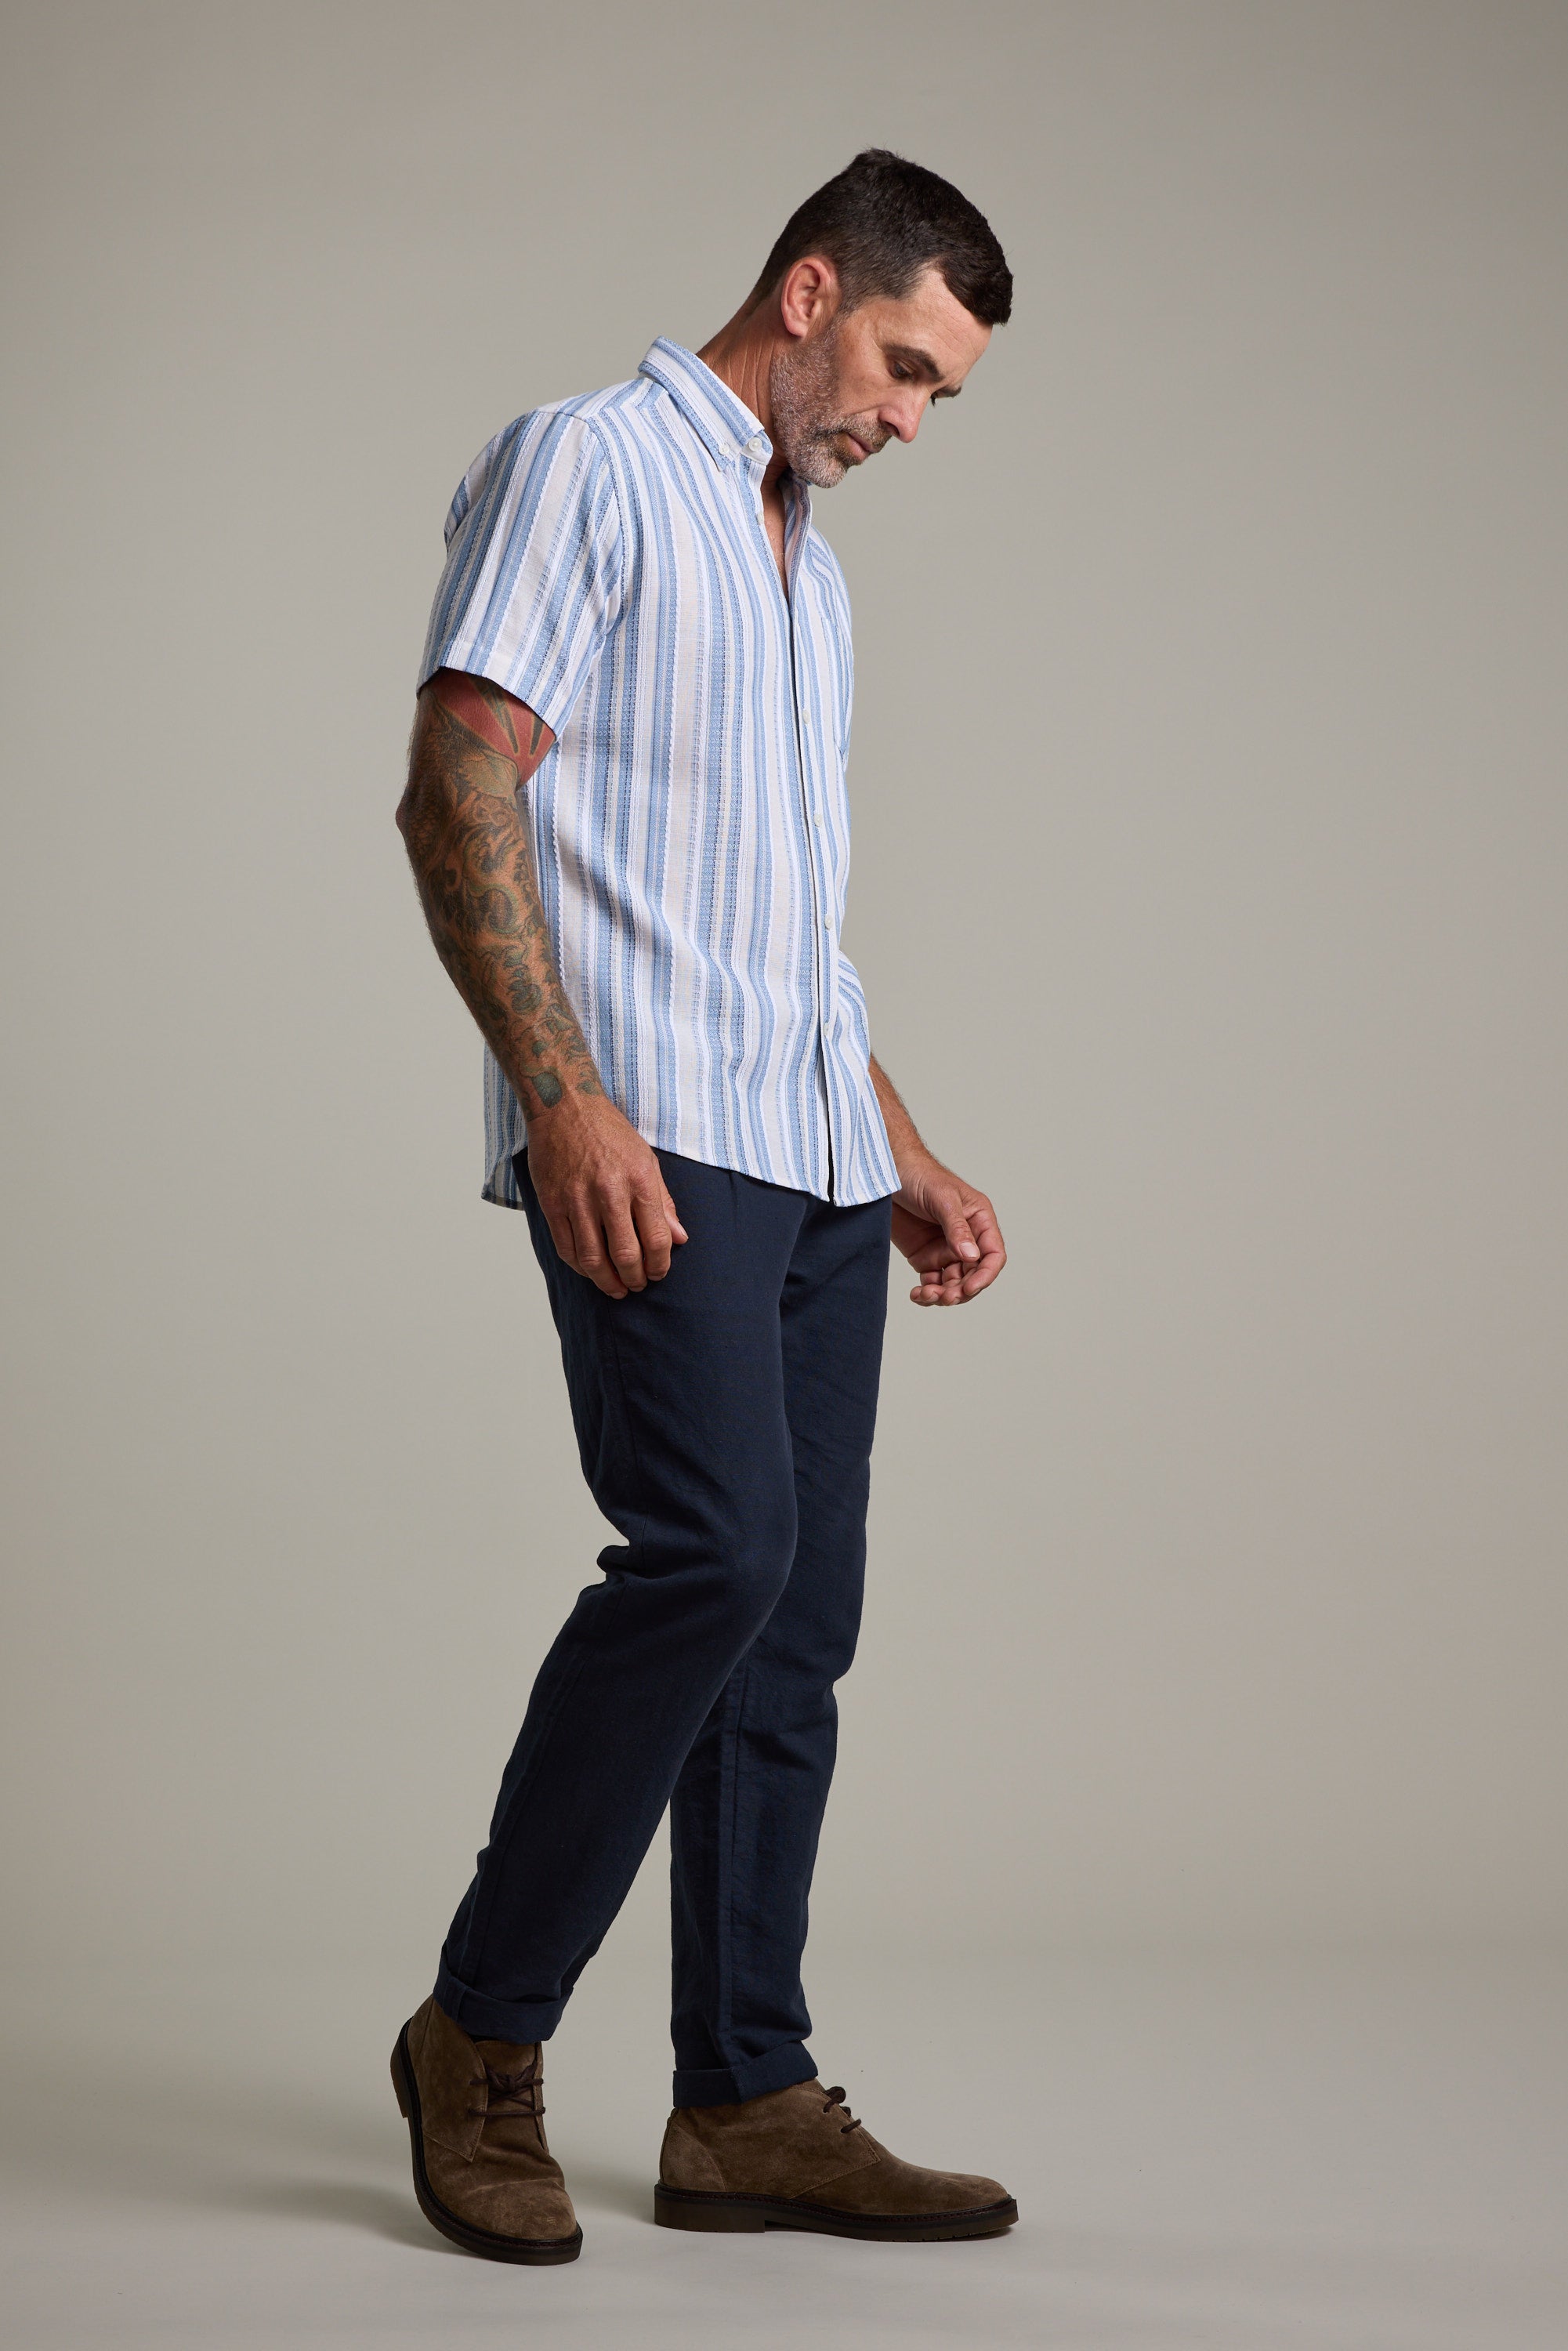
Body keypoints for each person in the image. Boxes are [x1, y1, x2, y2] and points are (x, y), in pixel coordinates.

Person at [390, 148, 1016, 2264]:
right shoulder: (592, 462)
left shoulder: (805, 566)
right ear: (813, 282)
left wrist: (900, 1144)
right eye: (906, 368)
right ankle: (474, 2042)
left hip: (814, 1152)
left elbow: (787, 930)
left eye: (942, 398)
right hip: (652, 1134)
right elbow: (459, 773)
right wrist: (560, 1103)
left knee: (793, 1623)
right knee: (710, 1551)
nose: (907, 422)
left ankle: (743, 2095)